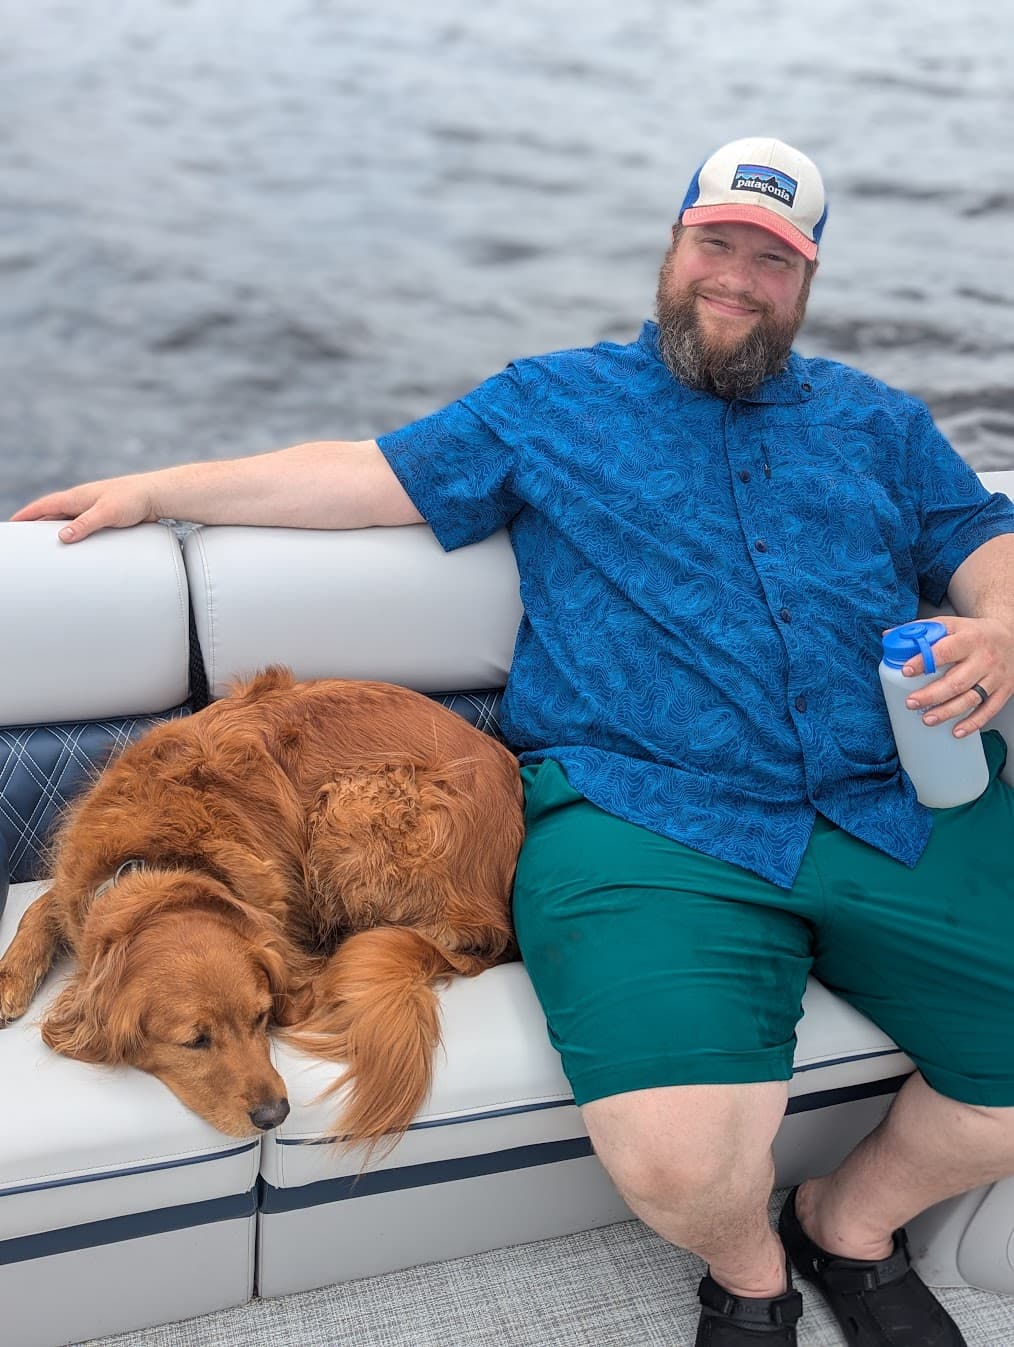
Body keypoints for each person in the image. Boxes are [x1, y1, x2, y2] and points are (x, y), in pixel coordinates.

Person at [14, 136, 1014, 1347]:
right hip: (644, 817)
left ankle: (848, 1225)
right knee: (677, 1161)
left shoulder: (881, 422)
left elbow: (980, 537)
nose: (739, 277)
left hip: (893, 795)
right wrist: (159, 491)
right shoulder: (550, 403)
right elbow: (364, 474)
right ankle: (748, 1274)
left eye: (773, 258)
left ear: (805, 280)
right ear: (675, 244)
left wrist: (1002, 621)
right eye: (718, 244)